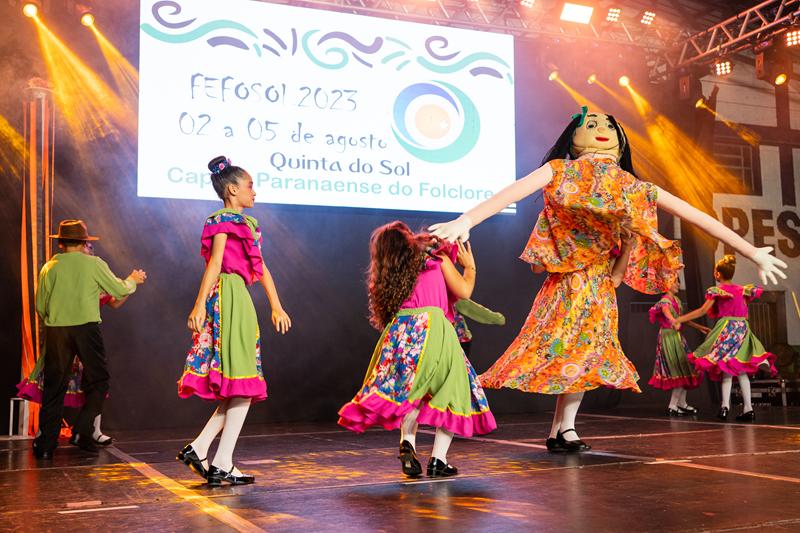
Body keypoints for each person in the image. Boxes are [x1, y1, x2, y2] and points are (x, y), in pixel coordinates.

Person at [429, 107, 787, 452]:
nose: (602, 128)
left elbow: (693, 214)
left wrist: (751, 251)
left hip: (599, 291)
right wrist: (466, 220)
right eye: (591, 124)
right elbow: (512, 191)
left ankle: (561, 430)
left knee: (583, 356)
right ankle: (565, 429)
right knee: (574, 355)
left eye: (609, 126)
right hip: (566, 288)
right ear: (574, 139)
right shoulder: (561, 170)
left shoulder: (631, 185)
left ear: (620, 140)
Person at [338, 221, 496, 478]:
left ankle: (407, 443)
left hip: (400, 332)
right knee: (454, 389)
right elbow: (464, 291)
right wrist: (469, 267)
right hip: (433, 329)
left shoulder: (390, 275)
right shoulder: (434, 260)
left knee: (410, 391)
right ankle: (438, 460)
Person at [177, 156, 291, 487]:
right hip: (228, 296)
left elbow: (261, 266)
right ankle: (219, 460)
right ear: (232, 189)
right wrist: (199, 304)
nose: (254, 191)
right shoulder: (223, 220)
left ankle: (203, 451)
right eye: (250, 185)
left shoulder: (247, 224)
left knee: (240, 385)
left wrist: (276, 305)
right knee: (243, 384)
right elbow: (215, 263)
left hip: (238, 296)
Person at [32, 220, 146, 459]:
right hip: (86, 329)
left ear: (61, 243)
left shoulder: (49, 267)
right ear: (84, 242)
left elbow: (40, 306)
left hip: (57, 330)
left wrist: (56, 318)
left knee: (54, 387)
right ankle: (82, 430)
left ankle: (45, 446)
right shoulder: (94, 264)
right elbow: (118, 290)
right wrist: (133, 280)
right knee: (99, 381)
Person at [18, 240, 130, 445]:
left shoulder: (93, 271)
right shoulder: (61, 270)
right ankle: (51, 435)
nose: (87, 249)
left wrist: (128, 288)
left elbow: (114, 300)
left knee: (93, 384)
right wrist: (129, 284)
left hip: (80, 337)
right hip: (70, 334)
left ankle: (91, 430)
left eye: (90, 247)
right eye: (85, 245)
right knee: (59, 384)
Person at [675, 255, 777, 421]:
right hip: (742, 330)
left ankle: (725, 407)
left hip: (727, 330)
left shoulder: (717, 291)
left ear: (717, 274)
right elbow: (743, 310)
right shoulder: (742, 290)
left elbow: (702, 311)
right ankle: (748, 408)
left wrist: (681, 318)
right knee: (739, 369)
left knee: (726, 369)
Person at [647, 277, 709, 416]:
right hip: (669, 338)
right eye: (674, 281)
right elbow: (667, 313)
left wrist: (700, 327)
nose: (678, 284)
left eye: (678, 281)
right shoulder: (664, 301)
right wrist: (674, 321)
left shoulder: (677, 300)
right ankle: (673, 405)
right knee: (679, 370)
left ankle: (681, 403)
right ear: (667, 284)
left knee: (686, 369)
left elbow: (683, 319)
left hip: (677, 337)